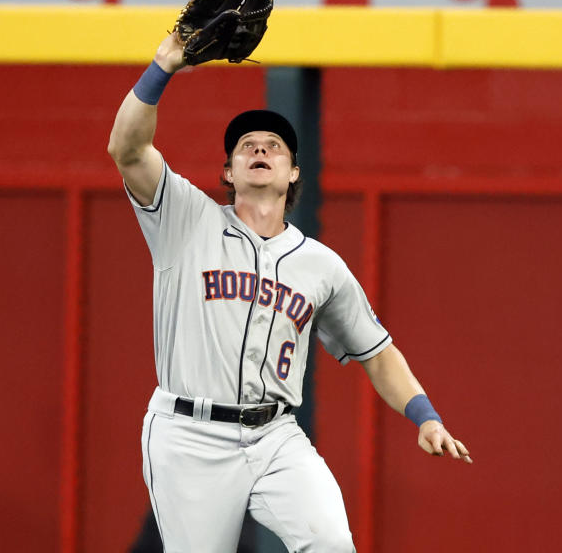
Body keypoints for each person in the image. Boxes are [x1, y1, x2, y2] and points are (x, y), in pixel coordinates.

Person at [107, 32, 472, 553]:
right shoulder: (184, 219)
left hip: (274, 435)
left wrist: (426, 416)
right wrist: (163, 65)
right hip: (190, 436)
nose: (260, 148)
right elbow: (126, 148)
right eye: (245, 146)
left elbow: (377, 351)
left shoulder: (320, 265)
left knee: (331, 544)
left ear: (294, 173)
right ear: (228, 172)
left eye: (274, 146)